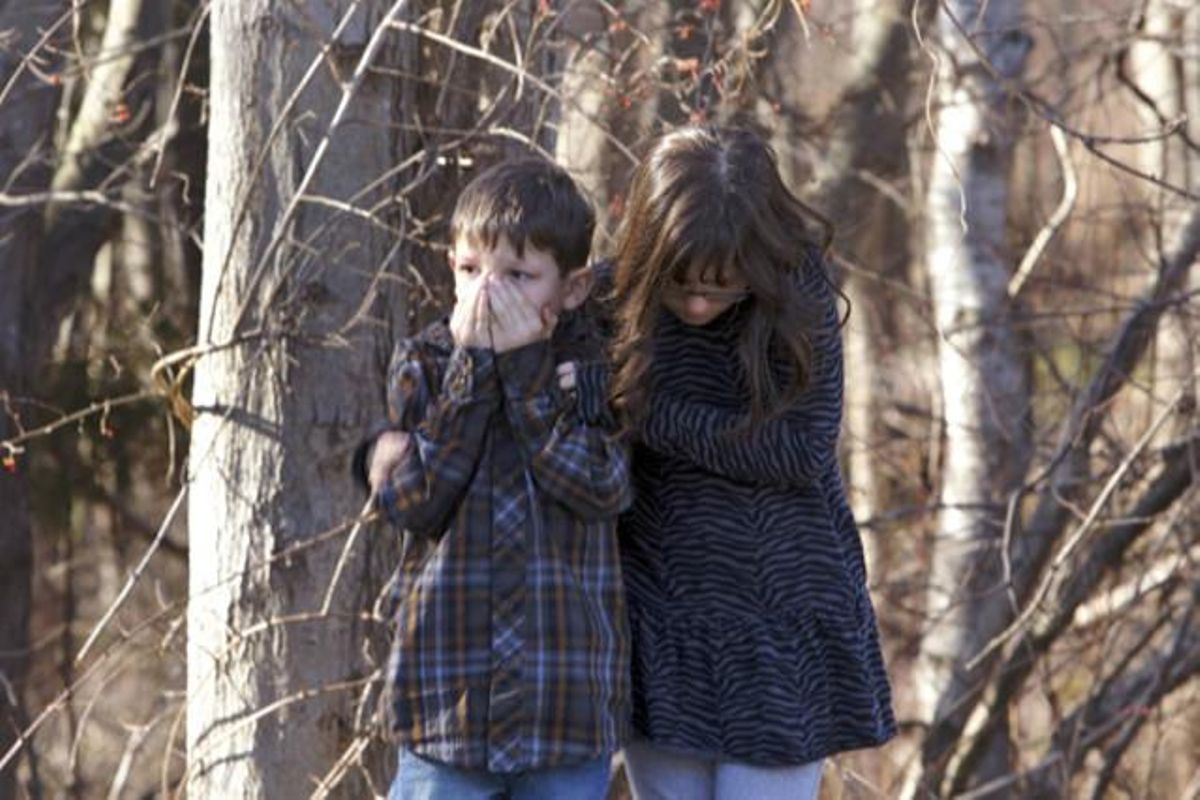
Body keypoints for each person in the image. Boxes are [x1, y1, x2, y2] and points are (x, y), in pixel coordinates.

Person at [606, 126, 896, 799]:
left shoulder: (798, 292)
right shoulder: (609, 302)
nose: (701, 304)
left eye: (723, 288)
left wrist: (646, 414)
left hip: (782, 617)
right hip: (662, 620)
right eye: (682, 288)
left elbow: (798, 448)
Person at [353, 157, 632, 800]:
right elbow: (413, 500)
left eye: (518, 276)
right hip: (447, 709)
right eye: (472, 271)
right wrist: (473, 375)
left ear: (573, 288)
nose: (488, 293)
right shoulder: (425, 363)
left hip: (562, 710)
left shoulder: (591, 374)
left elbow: (603, 487)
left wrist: (531, 376)